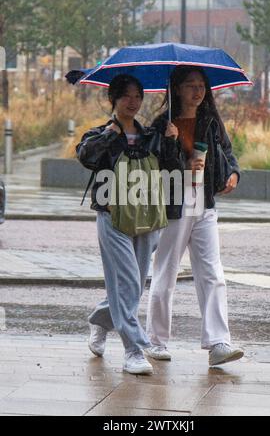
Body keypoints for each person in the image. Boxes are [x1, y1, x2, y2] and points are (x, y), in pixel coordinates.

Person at [76, 74, 181, 375]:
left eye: (138, 96)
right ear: (114, 99)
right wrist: (110, 134)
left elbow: (171, 168)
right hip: (112, 217)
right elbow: (85, 156)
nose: (133, 102)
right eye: (126, 96)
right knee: (127, 281)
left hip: (146, 216)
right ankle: (134, 349)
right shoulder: (100, 133)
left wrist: (171, 142)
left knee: (133, 284)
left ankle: (100, 320)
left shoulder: (151, 136)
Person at [145, 65, 244, 367]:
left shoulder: (210, 121)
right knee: (166, 272)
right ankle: (156, 341)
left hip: (205, 202)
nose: (198, 91)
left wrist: (234, 175)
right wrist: (172, 145)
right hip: (174, 203)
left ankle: (218, 342)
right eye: (190, 85)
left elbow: (227, 153)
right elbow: (153, 166)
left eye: (201, 85)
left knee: (212, 272)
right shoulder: (162, 124)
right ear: (176, 88)